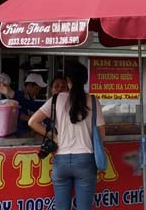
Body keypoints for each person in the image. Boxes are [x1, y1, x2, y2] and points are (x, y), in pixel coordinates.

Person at [28, 62, 105, 210]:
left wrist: (54, 136)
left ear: (68, 80)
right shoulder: (94, 101)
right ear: (85, 80)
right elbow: (101, 134)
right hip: (85, 161)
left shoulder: (56, 99)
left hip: (61, 160)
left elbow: (33, 121)